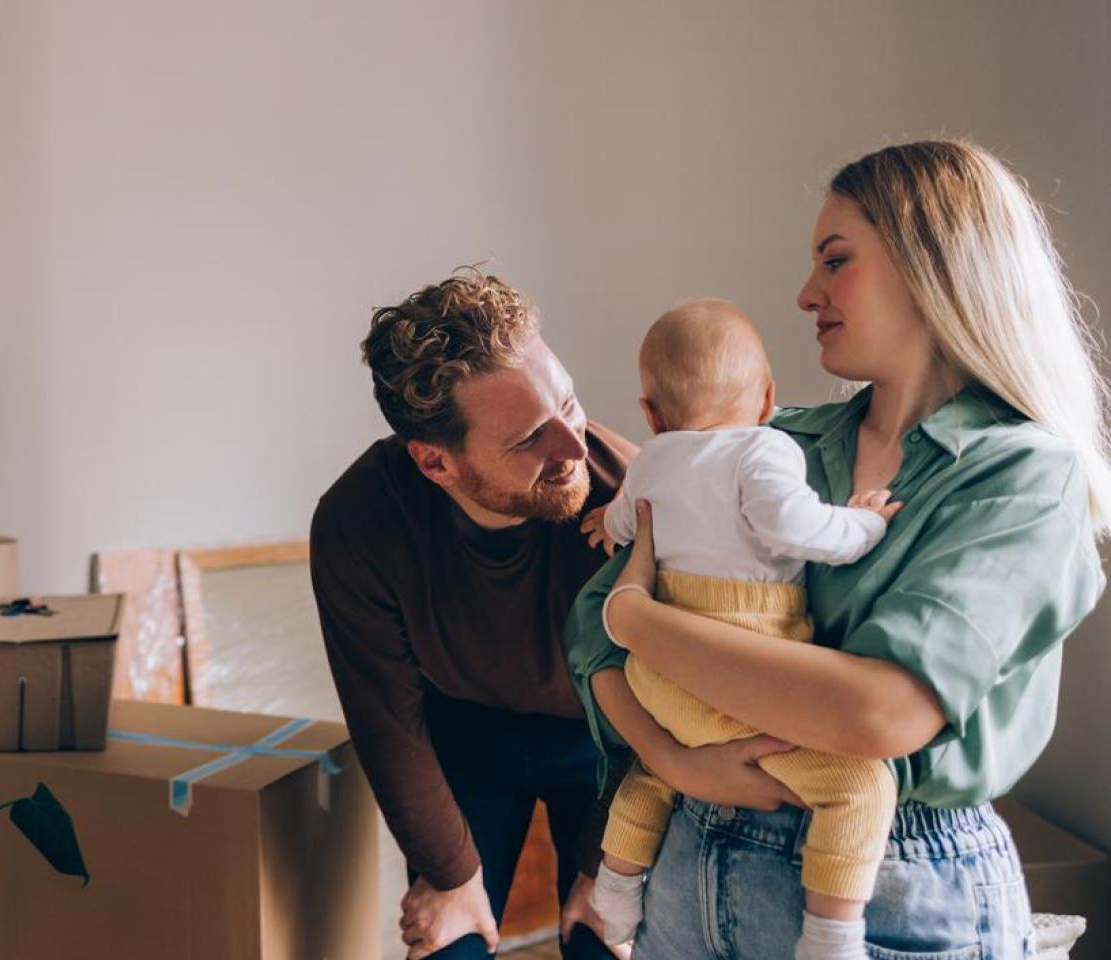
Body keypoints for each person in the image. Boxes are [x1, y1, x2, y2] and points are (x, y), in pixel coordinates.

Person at [567, 140, 1108, 958]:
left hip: (892, 885)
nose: (805, 292)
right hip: (689, 860)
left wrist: (642, 623)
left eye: (835, 260)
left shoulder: (1027, 477)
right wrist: (670, 758)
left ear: (935, 265)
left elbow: (880, 711)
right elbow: (586, 628)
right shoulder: (772, 443)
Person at [310, 269, 631, 959]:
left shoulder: (633, 497)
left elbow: (673, 707)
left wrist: (607, 869)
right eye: (529, 439)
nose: (572, 448)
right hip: (461, 729)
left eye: (569, 404)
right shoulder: (360, 522)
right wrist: (452, 878)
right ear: (435, 463)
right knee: (446, 944)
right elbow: (386, 720)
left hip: (612, 739)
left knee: (607, 940)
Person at [579, 298, 903, 960]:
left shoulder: (650, 461)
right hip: (741, 669)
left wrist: (601, 527)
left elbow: (621, 524)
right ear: (768, 399)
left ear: (649, 412)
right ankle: (830, 937)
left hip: (658, 674)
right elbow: (798, 528)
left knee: (656, 771)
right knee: (861, 786)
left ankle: (615, 889)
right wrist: (867, 521)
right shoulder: (765, 447)